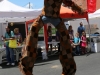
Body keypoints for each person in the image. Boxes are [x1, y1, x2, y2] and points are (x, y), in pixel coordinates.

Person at [19, 0, 85, 75]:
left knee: (65, 38)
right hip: (47, 17)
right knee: (33, 30)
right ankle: (27, 64)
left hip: (53, 18)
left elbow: (69, 3)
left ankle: (68, 68)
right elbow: (70, 3)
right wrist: (80, 10)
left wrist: (80, 10)